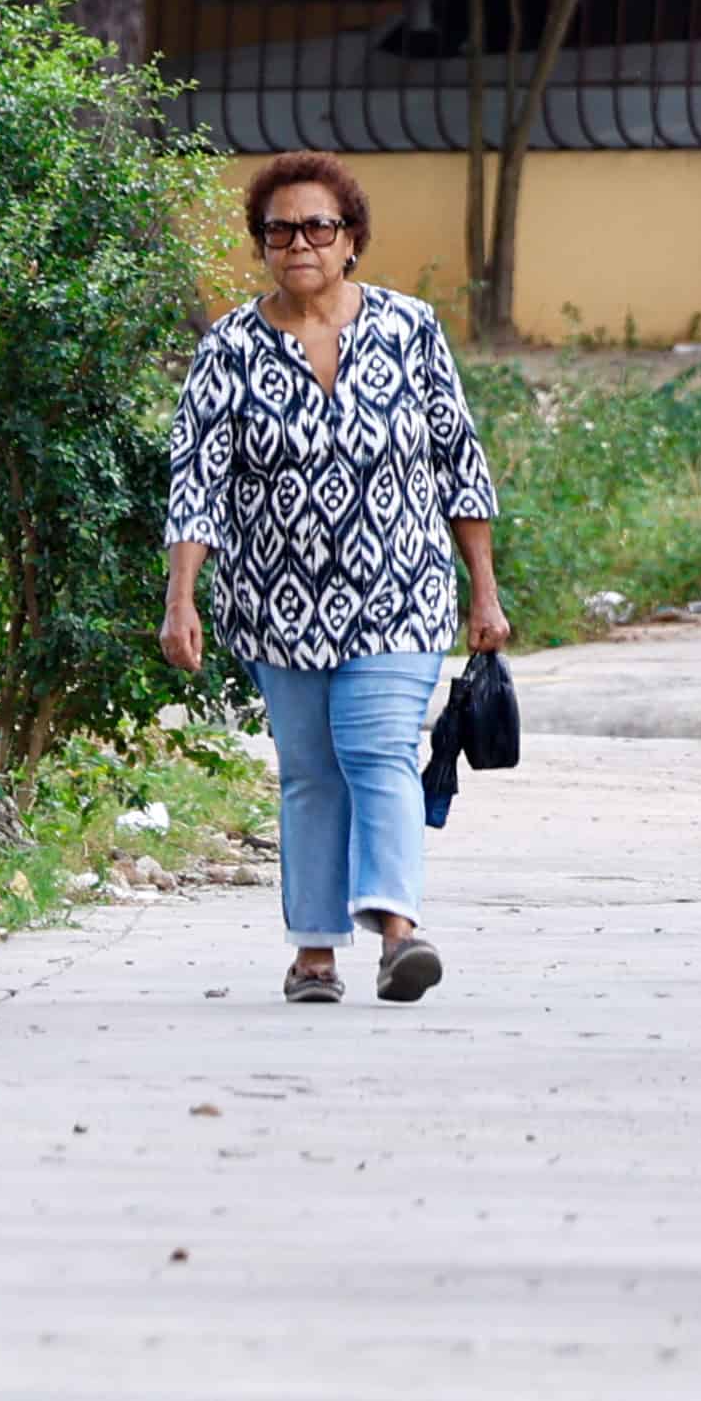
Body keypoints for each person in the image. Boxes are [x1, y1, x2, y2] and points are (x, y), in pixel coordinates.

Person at [157, 152, 505, 1005]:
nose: (300, 242)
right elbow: (197, 478)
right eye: (280, 229)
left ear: (351, 240)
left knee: (377, 747)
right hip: (275, 602)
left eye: (319, 226)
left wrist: (483, 589)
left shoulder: (409, 329)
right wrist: (181, 599)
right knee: (310, 769)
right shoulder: (230, 349)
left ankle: (397, 933)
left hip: (400, 588)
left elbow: (459, 463)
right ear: (261, 245)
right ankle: (315, 952)